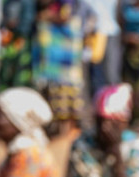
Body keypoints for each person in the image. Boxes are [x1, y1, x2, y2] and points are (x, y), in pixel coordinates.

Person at [31, 0, 86, 136]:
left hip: (64, 59)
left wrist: (48, 16)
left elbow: (65, 16)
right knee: (53, 97)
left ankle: (66, 132)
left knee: (65, 98)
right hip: (51, 64)